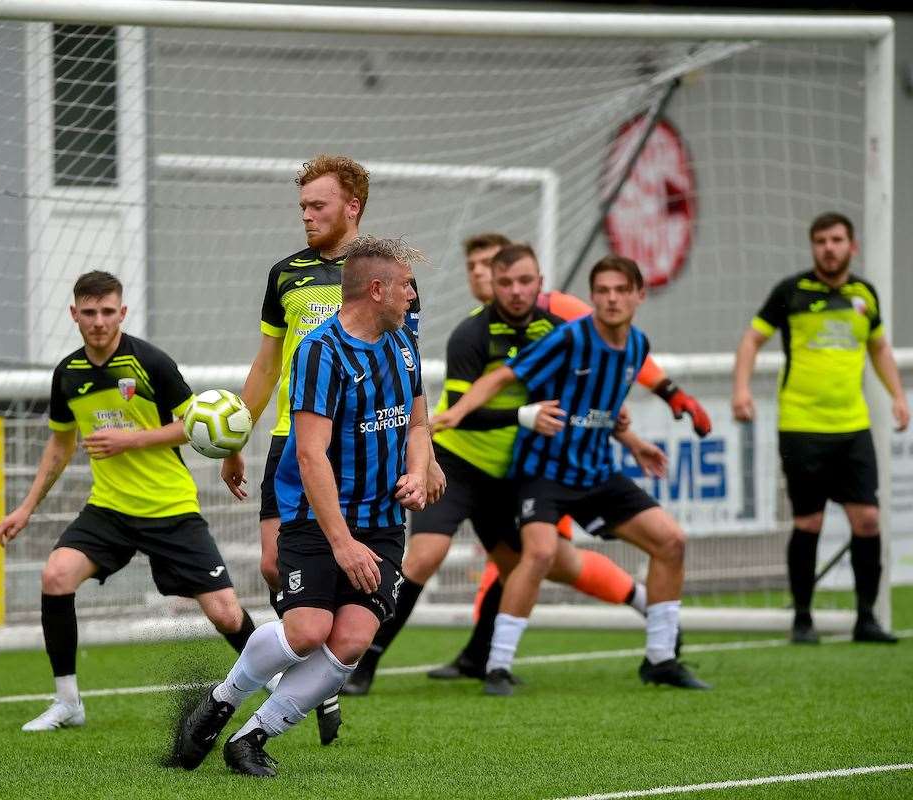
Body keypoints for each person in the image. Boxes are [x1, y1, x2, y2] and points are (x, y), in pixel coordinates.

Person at [342, 242, 666, 695]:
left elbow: (582, 402)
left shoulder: (558, 332)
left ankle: (483, 658)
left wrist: (627, 436)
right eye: (506, 282)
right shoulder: (471, 335)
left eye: (525, 281)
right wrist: (522, 416)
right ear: (491, 285)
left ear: (540, 284)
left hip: (512, 474)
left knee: (527, 564)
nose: (516, 291)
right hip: (456, 464)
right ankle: (365, 666)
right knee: (426, 556)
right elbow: (462, 412)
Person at [175, 237, 429, 777]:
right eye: (405, 284)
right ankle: (222, 700)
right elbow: (311, 456)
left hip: (383, 520)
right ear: (376, 289)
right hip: (319, 516)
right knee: (308, 630)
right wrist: (343, 544)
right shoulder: (321, 350)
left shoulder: (405, 337)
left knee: (353, 638)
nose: (414, 294)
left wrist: (421, 468)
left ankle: (251, 737)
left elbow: (419, 422)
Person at [216, 154, 441, 744]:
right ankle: (302, 671)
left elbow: (411, 379)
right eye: (303, 207)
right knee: (273, 566)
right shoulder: (285, 273)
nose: (307, 217)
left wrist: (428, 455)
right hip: (299, 442)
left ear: (352, 207)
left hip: (366, 447)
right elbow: (268, 362)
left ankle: (313, 686)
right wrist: (238, 432)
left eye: (318, 205)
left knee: (339, 608)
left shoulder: (390, 280)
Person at [425, 236, 713, 683]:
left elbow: (603, 406)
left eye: (621, 290)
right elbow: (504, 375)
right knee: (538, 555)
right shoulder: (566, 337)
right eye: (603, 291)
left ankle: (660, 660)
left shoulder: (636, 346)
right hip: (542, 472)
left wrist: (635, 440)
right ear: (590, 296)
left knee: (671, 540)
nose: (611, 299)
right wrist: (456, 413)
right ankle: (497, 666)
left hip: (596, 472)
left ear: (640, 295)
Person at [0, 271, 256, 732]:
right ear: (75, 314)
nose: (98, 321)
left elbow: (193, 424)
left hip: (169, 506)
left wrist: (132, 441)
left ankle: (273, 676)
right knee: (55, 575)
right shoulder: (68, 374)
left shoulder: (150, 362)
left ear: (123, 312)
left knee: (225, 613)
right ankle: (68, 702)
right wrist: (25, 508)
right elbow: (59, 446)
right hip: (109, 509)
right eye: (89, 312)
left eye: (108, 312)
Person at [732, 211, 907, 645]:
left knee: (867, 519)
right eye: (820, 241)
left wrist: (898, 396)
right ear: (813, 247)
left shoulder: (864, 295)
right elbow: (752, 338)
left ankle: (866, 618)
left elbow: (879, 346)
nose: (828, 248)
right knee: (808, 521)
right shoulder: (791, 292)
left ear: (852, 246)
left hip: (852, 425)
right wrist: (741, 390)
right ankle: (803, 619)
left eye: (836, 240)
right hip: (801, 425)